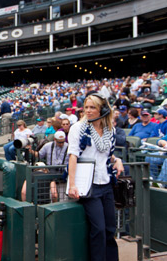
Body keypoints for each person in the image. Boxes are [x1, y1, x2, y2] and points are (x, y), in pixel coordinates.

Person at [67, 93, 124, 261]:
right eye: (86, 107)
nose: (88, 111)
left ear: (103, 110)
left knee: (109, 228)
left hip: (106, 183)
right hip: (88, 186)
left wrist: (118, 160)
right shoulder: (78, 127)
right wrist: (72, 184)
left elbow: (107, 154)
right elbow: (73, 156)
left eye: (93, 107)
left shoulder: (110, 130)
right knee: (98, 229)